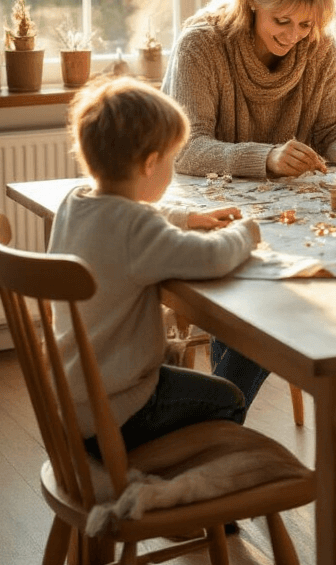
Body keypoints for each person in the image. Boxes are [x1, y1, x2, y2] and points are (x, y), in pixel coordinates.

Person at [163, 0, 336, 408]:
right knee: (263, 301)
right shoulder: (201, 45)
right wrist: (265, 158)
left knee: (303, 289)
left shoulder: (319, 47)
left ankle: (218, 421)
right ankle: (218, 423)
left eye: (306, 23)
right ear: (250, 1)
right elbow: (185, 149)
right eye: (282, 20)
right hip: (206, 210)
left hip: (286, 213)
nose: (294, 34)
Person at [48, 76, 261, 458]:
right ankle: (201, 487)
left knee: (203, 390)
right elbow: (211, 258)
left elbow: (136, 214)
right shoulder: (136, 230)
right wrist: (246, 233)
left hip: (72, 399)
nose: (172, 170)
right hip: (119, 409)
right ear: (150, 164)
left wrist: (189, 216)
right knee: (229, 398)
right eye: (171, 160)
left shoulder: (75, 201)